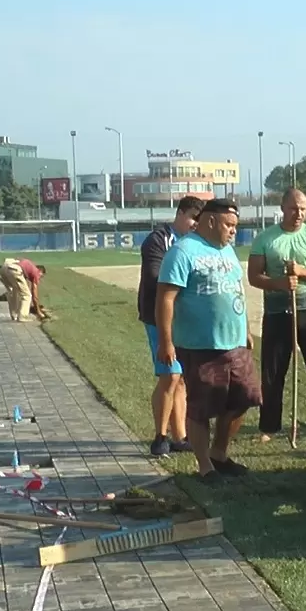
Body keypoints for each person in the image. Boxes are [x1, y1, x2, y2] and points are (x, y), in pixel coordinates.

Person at [153, 198, 261, 481]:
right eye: (229, 225)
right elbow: (165, 297)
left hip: (235, 343)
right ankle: (205, 467)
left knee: (244, 399)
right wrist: (166, 342)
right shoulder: (183, 251)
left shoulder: (227, 250)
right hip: (200, 345)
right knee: (201, 408)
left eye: (236, 226)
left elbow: (236, 290)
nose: (234, 231)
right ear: (210, 221)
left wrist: (246, 328)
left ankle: (220, 453)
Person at [247, 188, 306, 443]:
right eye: (294, 208)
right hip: (277, 313)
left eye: (303, 209)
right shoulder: (266, 239)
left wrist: (302, 272)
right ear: (283, 208)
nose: (299, 214)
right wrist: (280, 283)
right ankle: (269, 427)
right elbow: (254, 277)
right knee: (273, 373)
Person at [137, 195, 204, 456]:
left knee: (181, 379)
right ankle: (160, 437)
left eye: (200, 221)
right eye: (192, 219)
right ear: (179, 213)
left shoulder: (194, 241)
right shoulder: (158, 239)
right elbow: (156, 277)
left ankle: (180, 436)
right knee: (170, 375)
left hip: (182, 317)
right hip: (157, 315)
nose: (195, 224)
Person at [0, 256, 48, 322]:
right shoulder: (36, 272)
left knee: (13, 291)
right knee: (27, 295)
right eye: (41, 276)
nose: (39, 278)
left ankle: (14, 315)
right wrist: (38, 312)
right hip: (14, 270)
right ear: (40, 271)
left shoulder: (28, 267)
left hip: (4, 269)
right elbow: (34, 296)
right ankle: (23, 316)